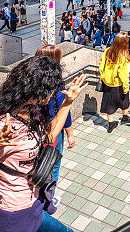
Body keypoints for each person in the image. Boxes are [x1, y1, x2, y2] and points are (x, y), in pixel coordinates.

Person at [0, 55, 87, 232]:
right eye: (50, 90)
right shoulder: (1, 126)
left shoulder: (32, 112)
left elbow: (49, 135)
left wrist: (68, 102)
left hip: (30, 203)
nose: (52, 94)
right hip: (12, 214)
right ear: (36, 90)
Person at [33, 45, 75, 192]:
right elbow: (64, 111)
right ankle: (49, 193)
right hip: (53, 129)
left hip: (34, 128)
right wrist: (70, 134)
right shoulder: (56, 84)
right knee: (53, 162)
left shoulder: (31, 80)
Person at [99, 34, 130, 132]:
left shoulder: (107, 51)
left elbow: (101, 66)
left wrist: (103, 77)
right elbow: (124, 75)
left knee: (110, 104)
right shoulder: (123, 57)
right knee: (124, 100)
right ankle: (125, 117)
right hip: (118, 84)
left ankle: (110, 124)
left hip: (108, 84)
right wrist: (126, 87)